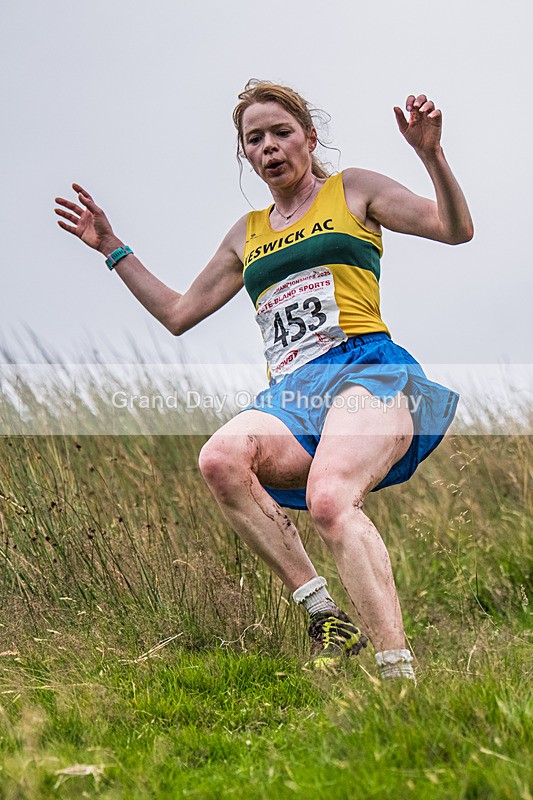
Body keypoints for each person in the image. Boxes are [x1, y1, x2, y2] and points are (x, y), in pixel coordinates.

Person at [55, 80, 473, 683]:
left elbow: (453, 229)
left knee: (331, 501)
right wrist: (112, 247)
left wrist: (431, 154)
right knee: (221, 458)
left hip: (367, 369)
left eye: (281, 132)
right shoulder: (245, 232)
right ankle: (324, 614)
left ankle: (398, 676)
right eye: (256, 139)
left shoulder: (352, 190)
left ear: (308, 136)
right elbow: (179, 314)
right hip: (295, 392)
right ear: (245, 154)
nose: (270, 147)